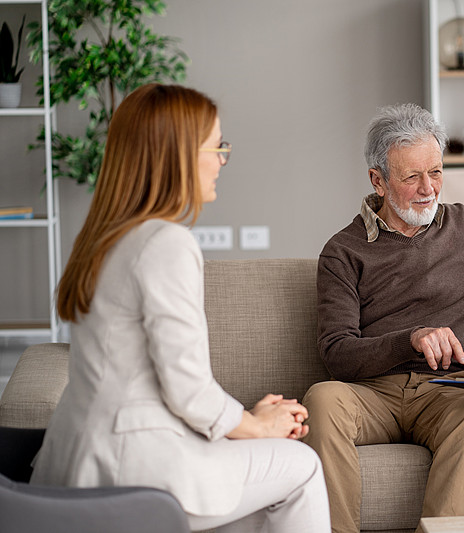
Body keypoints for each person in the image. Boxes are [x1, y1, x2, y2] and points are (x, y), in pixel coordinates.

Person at [30, 83, 330, 533]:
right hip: (135, 467)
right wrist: (255, 425)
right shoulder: (165, 243)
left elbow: (151, 381)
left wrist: (247, 420)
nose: (222, 160)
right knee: (301, 466)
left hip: (78, 457)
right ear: (178, 156)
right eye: (217, 146)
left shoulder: (103, 240)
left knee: (254, 506)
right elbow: (187, 388)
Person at [302, 103, 464, 533]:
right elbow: (337, 353)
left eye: (437, 172)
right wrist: (409, 338)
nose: (428, 188)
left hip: (450, 391)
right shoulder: (343, 251)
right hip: (373, 393)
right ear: (378, 180)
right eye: (411, 177)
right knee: (322, 398)